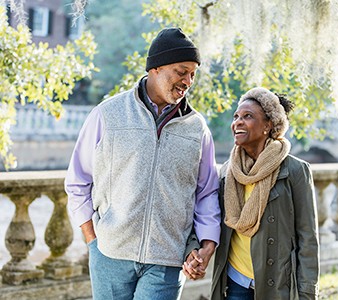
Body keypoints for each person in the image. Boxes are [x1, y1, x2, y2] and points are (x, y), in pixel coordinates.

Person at [65, 27, 221, 300]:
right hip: (109, 254)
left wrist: (208, 242)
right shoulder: (108, 115)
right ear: (156, 68)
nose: (188, 81)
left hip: (168, 260)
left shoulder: (197, 128)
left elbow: (206, 192)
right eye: (181, 71)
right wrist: (93, 239)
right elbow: (78, 180)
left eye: (193, 74)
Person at [209, 87, 319, 299]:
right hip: (235, 282)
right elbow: (210, 216)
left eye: (248, 116)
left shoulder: (295, 170)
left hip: (276, 284)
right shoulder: (227, 172)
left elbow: (307, 238)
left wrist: (307, 293)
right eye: (236, 117)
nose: (237, 122)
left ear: (268, 125)